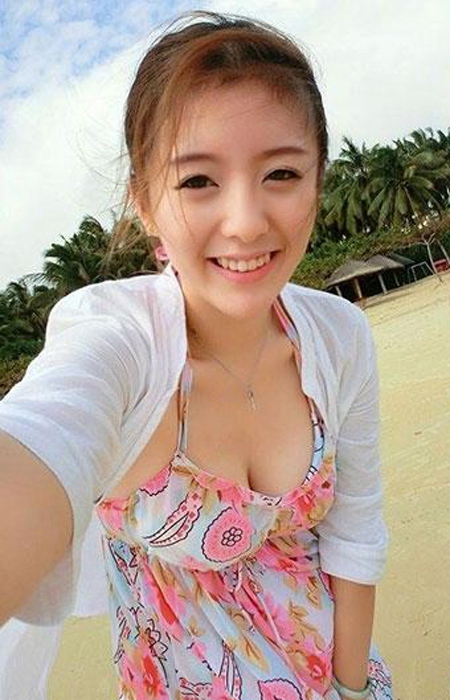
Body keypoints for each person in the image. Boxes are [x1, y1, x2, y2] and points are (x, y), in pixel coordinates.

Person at [0, 11, 394, 700]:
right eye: (197, 182)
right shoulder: (122, 343)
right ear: (144, 202)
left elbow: (355, 531)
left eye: (281, 173)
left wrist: (354, 687)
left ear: (318, 181)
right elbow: (45, 434)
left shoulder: (338, 337)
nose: (245, 222)